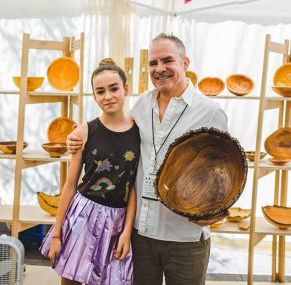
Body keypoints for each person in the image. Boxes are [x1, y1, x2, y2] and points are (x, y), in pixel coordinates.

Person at [67, 33, 228, 285]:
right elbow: (113, 128)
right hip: (141, 234)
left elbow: (225, 173)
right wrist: (79, 134)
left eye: (167, 61)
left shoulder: (210, 112)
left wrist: (219, 211)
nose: (159, 69)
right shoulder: (141, 105)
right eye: (153, 63)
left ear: (185, 63)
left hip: (184, 236)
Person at [41, 59, 140, 285]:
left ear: (126, 89)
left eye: (114, 88)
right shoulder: (84, 132)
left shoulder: (139, 132)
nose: (108, 96)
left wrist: (126, 232)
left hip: (118, 221)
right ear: (94, 96)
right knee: (71, 280)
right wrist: (56, 233)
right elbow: (69, 186)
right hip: (82, 215)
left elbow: (133, 186)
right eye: (100, 91)